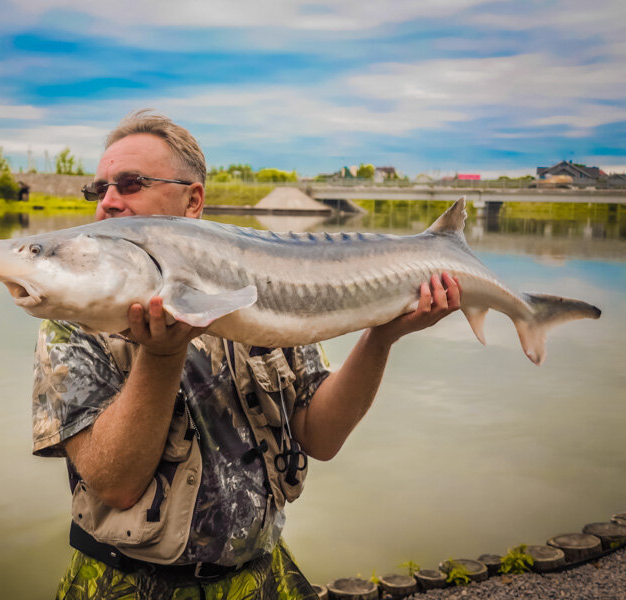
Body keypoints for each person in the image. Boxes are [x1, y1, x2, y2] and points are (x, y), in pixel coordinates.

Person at [31, 110, 461, 600]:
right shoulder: (77, 321)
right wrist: (162, 355)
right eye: (99, 189)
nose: (107, 202)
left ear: (193, 200)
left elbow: (320, 437)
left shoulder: (262, 290)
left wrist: (381, 337)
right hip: (128, 586)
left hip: (261, 577)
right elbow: (116, 485)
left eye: (131, 184)